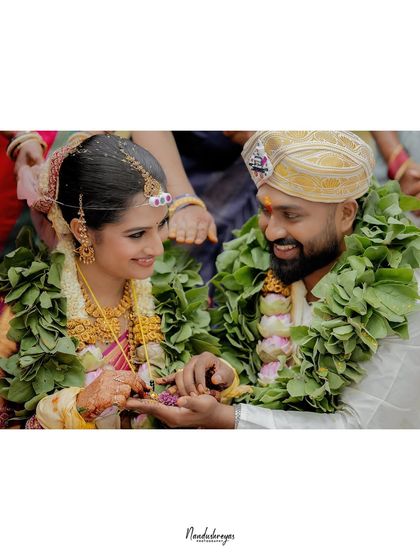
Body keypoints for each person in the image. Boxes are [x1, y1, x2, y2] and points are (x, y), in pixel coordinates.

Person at [126, 131, 420, 428]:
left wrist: (229, 419)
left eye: (291, 215)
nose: (270, 232)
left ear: (346, 214)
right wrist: (223, 373)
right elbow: (260, 366)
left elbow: (359, 428)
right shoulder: (273, 267)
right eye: (266, 211)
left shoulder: (401, 295)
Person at [0, 133, 237, 429]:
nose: (158, 248)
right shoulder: (21, 314)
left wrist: (219, 376)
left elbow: (224, 392)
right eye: (137, 234)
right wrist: (76, 408)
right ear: (82, 229)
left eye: (161, 225)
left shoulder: (176, 292)